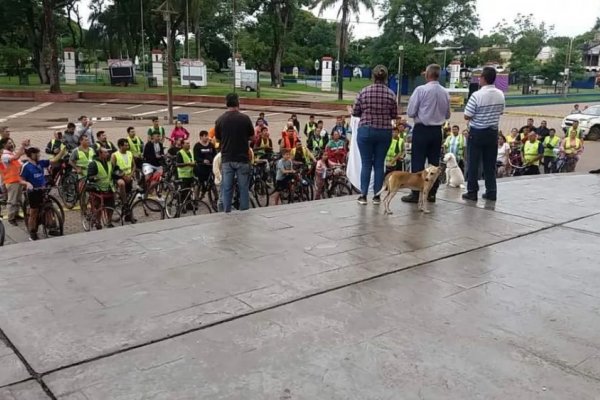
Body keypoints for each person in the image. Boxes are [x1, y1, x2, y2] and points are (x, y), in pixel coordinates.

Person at [403, 64, 450, 204]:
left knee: (417, 162)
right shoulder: (445, 92)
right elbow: (447, 114)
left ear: (427, 74)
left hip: (422, 128)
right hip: (437, 130)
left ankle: (416, 193)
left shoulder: (421, 90)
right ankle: (431, 193)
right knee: (434, 162)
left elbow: (411, 112)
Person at [462, 66, 505, 202]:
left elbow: (467, 115)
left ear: (484, 78)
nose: (478, 79)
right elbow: (501, 111)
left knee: (473, 163)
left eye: (480, 77)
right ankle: (491, 191)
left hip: (477, 132)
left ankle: (472, 192)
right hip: (492, 132)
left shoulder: (477, 95)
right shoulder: (500, 94)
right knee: (490, 164)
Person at [215, 93, 254, 212]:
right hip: (242, 158)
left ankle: (227, 211)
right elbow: (252, 137)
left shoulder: (220, 120)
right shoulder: (245, 118)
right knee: (243, 188)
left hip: (227, 158)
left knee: (227, 187)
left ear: (226, 103)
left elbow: (217, 139)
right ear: (238, 102)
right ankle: (244, 211)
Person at [20, 146, 66, 240]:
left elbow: (54, 160)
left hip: (43, 189)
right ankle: (32, 232)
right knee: (34, 212)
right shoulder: (26, 166)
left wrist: (63, 150)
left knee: (49, 208)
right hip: (33, 191)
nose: (39, 155)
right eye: (37, 154)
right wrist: (27, 183)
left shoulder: (40, 163)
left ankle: (52, 227)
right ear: (32, 155)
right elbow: (20, 179)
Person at [0, 138, 29, 226]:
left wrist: (25, 147)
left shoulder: (10, 153)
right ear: (4, 145)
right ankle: (11, 218)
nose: (11, 144)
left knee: (18, 199)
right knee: (12, 200)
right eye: (9, 143)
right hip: (12, 181)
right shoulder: (4, 155)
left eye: (11, 142)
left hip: (17, 179)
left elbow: (19, 155)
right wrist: (22, 146)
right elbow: (16, 157)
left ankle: (16, 215)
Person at [87, 147, 116, 229]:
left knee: (111, 205)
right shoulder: (93, 164)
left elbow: (113, 172)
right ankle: (98, 222)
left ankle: (109, 221)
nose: (108, 154)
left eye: (107, 152)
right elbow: (89, 176)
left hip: (109, 187)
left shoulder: (109, 162)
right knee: (99, 206)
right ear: (100, 154)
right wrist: (94, 178)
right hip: (98, 189)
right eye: (105, 152)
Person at [111, 138, 135, 208]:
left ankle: (126, 206)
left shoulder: (130, 153)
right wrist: (123, 175)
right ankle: (124, 203)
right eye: (125, 145)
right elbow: (113, 169)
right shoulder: (114, 155)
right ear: (120, 146)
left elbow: (134, 166)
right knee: (122, 184)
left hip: (128, 176)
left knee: (129, 195)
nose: (127, 147)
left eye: (128, 145)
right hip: (118, 176)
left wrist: (131, 175)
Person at [142, 131, 165, 195]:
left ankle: (150, 191)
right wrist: (156, 157)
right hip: (149, 163)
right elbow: (145, 155)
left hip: (158, 164)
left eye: (159, 136)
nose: (159, 138)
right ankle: (146, 190)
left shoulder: (160, 144)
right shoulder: (148, 144)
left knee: (158, 179)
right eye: (157, 136)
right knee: (147, 177)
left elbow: (162, 153)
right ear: (153, 137)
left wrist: (162, 156)